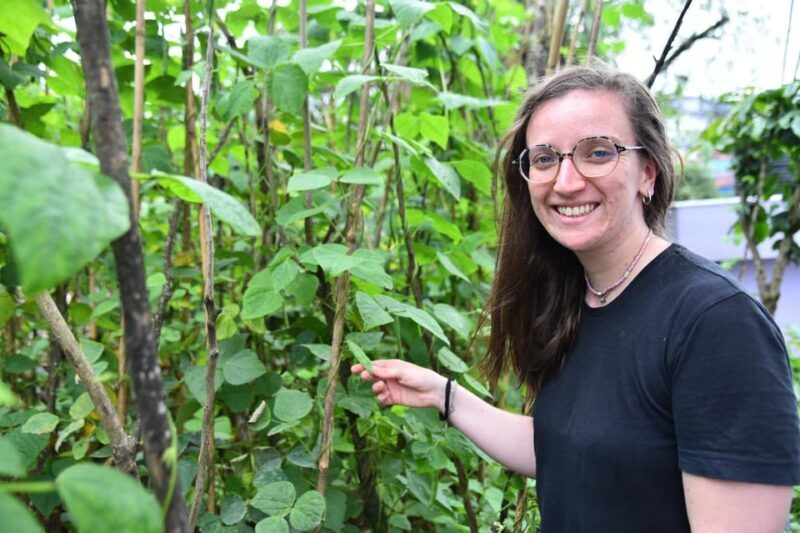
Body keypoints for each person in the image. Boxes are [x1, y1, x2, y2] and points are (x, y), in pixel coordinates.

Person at [352, 64, 800, 532]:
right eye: (545, 159)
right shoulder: (578, 299)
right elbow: (570, 452)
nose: (566, 182)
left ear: (648, 173)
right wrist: (445, 396)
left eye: (598, 153)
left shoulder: (716, 325)